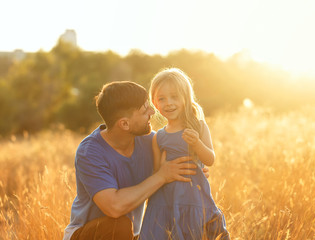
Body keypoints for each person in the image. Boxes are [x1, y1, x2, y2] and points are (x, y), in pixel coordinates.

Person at [63, 81, 209, 240]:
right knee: (118, 226)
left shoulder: (151, 142)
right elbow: (114, 207)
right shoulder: (90, 152)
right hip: (88, 234)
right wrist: (162, 176)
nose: (152, 112)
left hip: (133, 234)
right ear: (124, 124)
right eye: (144, 109)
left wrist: (192, 170)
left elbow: (173, 168)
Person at [139, 68, 230, 240]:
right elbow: (158, 171)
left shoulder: (198, 126)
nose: (168, 103)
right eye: (162, 99)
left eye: (175, 97)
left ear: (186, 98)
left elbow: (210, 159)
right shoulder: (159, 137)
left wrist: (196, 143)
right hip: (165, 201)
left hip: (192, 198)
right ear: (155, 103)